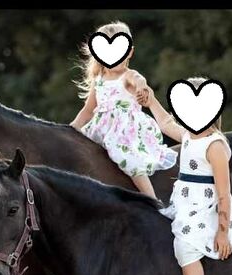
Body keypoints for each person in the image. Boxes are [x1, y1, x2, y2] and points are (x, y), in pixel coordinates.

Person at [143, 78, 232, 275]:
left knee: (184, 247)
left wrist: (222, 232)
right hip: (185, 205)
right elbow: (165, 124)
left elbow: (223, 193)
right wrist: (151, 100)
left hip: (207, 208)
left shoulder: (215, 146)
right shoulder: (189, 136)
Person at [70, 21, 177, 199]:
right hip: (101, 129)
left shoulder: (127, 76)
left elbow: (138, 79)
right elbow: (88, 110)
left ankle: (152, 200)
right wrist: (72, 127)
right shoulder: (99, 80)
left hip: (125, 131)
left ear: (129, 52)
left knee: (127, 158)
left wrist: (142, 86)